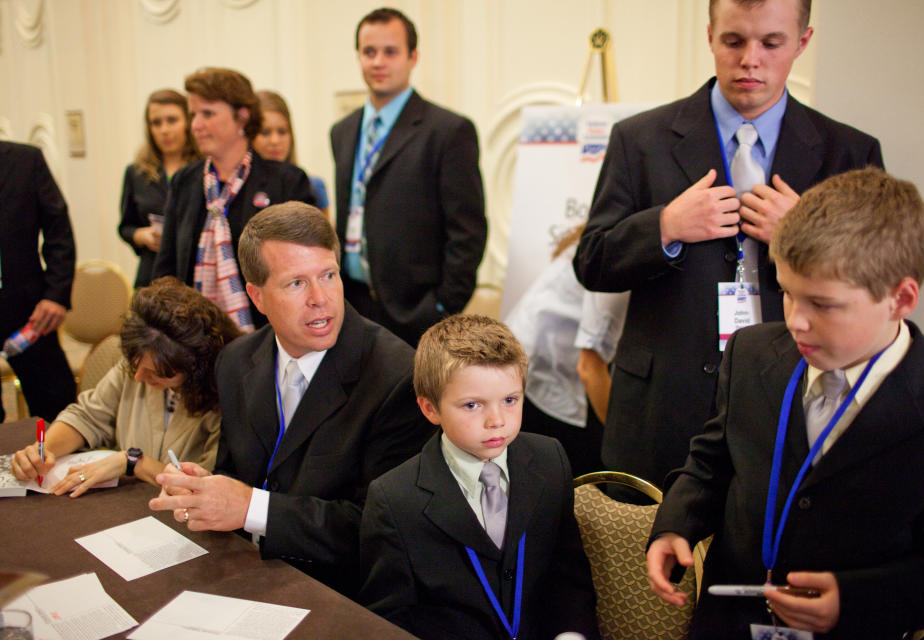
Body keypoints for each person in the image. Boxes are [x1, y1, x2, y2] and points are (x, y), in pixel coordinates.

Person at [573, 0, 885, 493]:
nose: (750, 60)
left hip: (794, 394)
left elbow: (876, 289)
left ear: (802, 42)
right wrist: (666, 226)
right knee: (652, 562)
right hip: (663, 404)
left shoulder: (849, 151)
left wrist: (804, 233)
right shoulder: (640, 139)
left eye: (771, 43)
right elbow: (591, 262)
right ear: (710, 37)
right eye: (734, 41)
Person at [645, 168, 924, 639]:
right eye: (787, 293)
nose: (796, 321)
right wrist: (676, 524)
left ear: (901, 298)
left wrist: (855, 600)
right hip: (731, 625)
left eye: (823, 304)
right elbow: (712, 461)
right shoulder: (751, 353)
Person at [149, 201, 434, 596]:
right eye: (296, 283)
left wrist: (250, 507)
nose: (321, 298)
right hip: (240, 569)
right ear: (257, 296)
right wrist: (208, 491)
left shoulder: (397, 377)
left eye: (328, 275)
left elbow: (378, 529)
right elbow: (240, 473)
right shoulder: (235, 361)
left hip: (338, 592)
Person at [358, 314, 600, 640]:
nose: (497, 420)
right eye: (473, 405)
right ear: (430, 409)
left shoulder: (549, 459)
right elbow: (389, 620)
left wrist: (571, 634)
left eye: (510, 400)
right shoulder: (394, 499)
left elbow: (568, 577)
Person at [330, 7, 486, 346]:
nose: (378, 62)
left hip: (418, 314)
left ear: (413, 57)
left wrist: (441, 307)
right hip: (353, 307)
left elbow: (468, 231)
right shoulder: (342, 132)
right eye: (369, 52)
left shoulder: (447, 131)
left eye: (390, 52)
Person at [10, 277, 240, 497]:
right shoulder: (142, 360)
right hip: (129, 505)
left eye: (154, 374)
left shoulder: (228, 398)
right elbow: (87, 417)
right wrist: (44, 452)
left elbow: (208, 487)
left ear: (195, 368)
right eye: (135, 365)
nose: (138, 377)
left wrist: (133, 462)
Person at [153, 67, 315, 331]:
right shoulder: (185, 181)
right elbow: (166, 269)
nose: (196, 125)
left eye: (208, 113)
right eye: (193, 114)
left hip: (268, 335)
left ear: (242, 117)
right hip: (194, 337)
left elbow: (302, 270)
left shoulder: (286, 182)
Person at [505, 224, 628, 477]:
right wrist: (623, 448)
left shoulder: (599, 235)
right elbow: (590, 369)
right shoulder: (617, 252)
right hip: (540, 370)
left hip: (529, 360)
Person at [0, 141, 76, 423]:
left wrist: (56, 294)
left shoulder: (25, 160)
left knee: (57, 409)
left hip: (29, 313)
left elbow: (59, 232)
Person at [118, 89, 200, 288]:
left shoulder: (203, 169)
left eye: (172, 120)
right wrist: (141, 236)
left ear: (188, 123)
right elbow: (125, 227)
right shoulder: (136, 172)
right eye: (156, 123)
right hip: (152, 274)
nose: (164, 130)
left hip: (194, 272)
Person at [252, 90, 331, 219]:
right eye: (265, 132)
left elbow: (326, 236)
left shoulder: (313, 186)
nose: (275, 141)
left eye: (282, 132)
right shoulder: (239, 188)